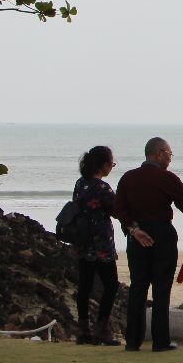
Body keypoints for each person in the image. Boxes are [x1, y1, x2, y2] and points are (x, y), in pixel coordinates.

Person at [114, 137, 183, 352]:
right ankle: (160, 341)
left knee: (138, 287)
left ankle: (133, 341)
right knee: (162, 288)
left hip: (137, 235)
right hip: (162, 233)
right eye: (169, 154)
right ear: (159, 153)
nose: (170, 159)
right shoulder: (166, 178)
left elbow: (119, 208)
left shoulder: (128, 178)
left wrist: (133, 229)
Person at [73, 145, 121, 346]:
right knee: (110, 285)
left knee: (84, 286)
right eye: (112, 163)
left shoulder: (80, 183)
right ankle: (102, 329)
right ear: (104, 165)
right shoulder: (102, 188)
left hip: (83, 241)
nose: (112, 167)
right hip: (101, 242)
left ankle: (83, 330)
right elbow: (117, 210)